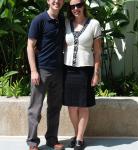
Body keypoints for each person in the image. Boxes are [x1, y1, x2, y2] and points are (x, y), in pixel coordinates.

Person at [63, 0, 102, 149]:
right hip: (68, 69)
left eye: (78, 5)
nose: (75, 8)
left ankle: (79, 138)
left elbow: (98, 52)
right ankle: (77, 133)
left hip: (85, 70)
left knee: (83, 105)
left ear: (84, 5)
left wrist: (96, 73)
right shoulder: (66, 23)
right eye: (72, 6)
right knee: (71, 106)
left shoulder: (94, 24)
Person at [26, 0, 65, 150]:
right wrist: (34, 71)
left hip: (58, 71)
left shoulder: (62, 20)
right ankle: (32, 142)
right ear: (48, 1)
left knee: (55, 108)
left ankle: (52, 139)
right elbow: (30, 46)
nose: (56, 1)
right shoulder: (39, 20)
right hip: (42, 71)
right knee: (35, 109)